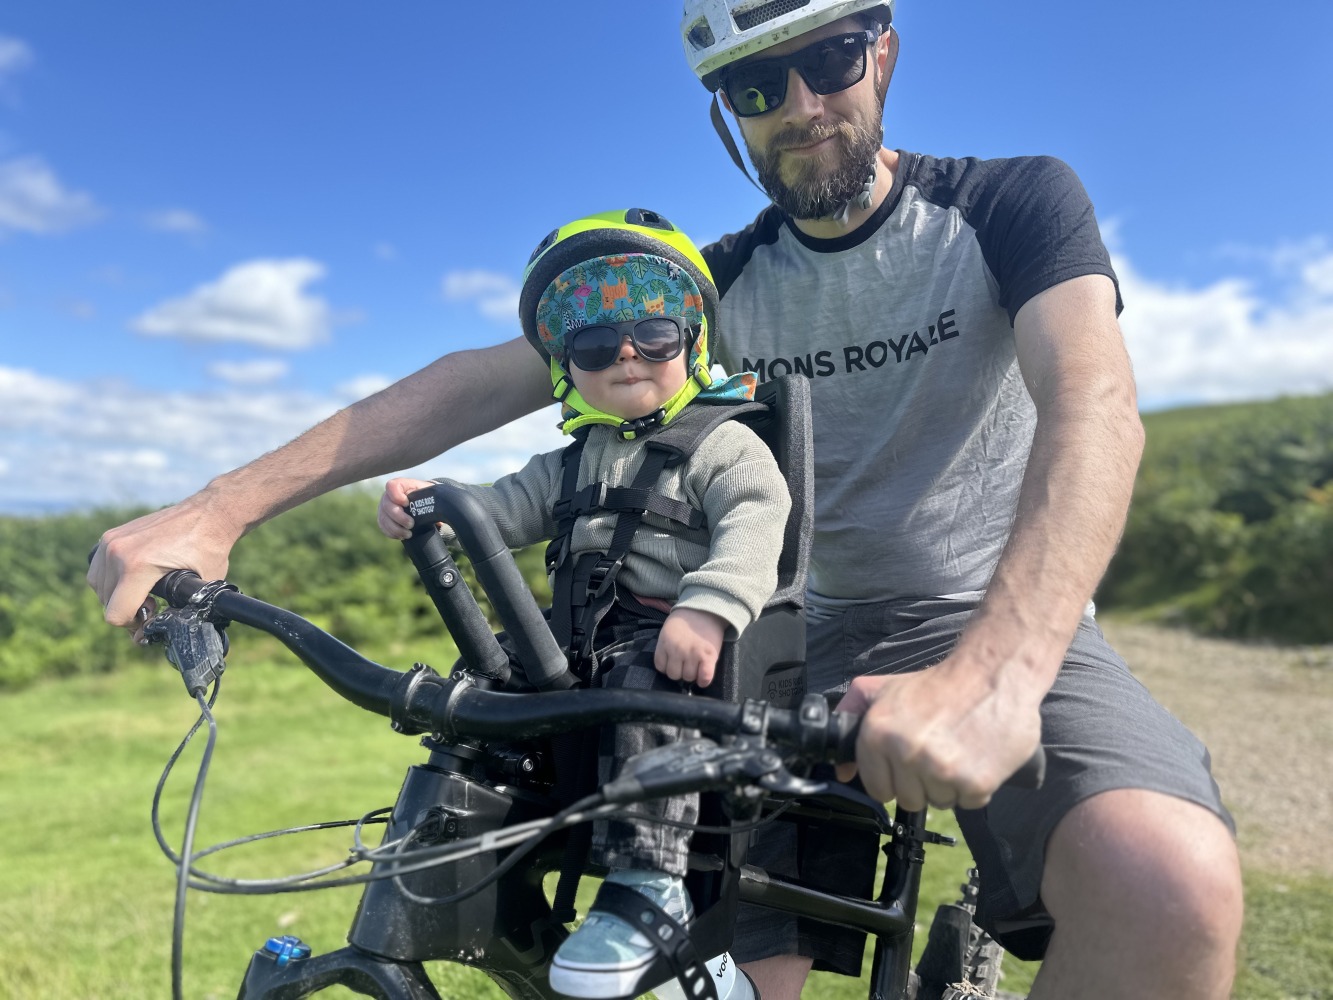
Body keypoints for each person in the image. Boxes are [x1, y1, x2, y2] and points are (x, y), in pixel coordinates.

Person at [88, 2, 1243, 997]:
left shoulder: (1009, 204)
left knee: (1165, 881)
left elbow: (1094, 404)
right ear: (725, 112)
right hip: (774, 630)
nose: (799, 103)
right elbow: (475, 381)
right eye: (753, 82)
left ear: (881, 56)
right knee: (719, 970)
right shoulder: (708, 291)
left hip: (989, 614)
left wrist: (1001, 672)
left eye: (829, 60)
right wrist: (217, 509)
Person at [376, 211, 785, 999]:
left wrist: (707, 606)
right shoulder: (567, 463)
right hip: (568, 647)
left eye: (654, 334)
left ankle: (647, 886)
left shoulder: (724, 443)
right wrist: (426, 503)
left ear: (690, 345)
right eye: (597, 345)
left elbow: (756, 518)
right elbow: (493, 509)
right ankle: (486, 867)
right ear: (569, 365)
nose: (627, 354)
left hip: (666, 645)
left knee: (640, 689)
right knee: (476, 691)